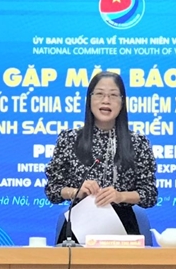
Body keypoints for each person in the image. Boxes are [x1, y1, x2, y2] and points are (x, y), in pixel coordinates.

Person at [45, 71, 157, 242]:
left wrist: (120, 196)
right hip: (78, 228)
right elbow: (53, 190)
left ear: (122, 102)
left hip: (123, 229)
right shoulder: (69, 140)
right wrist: (76, 192)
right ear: (89, 100)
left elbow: (149, 195)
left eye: (113, 95)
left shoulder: (138, 143)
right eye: (99, 94)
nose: (106, 100)